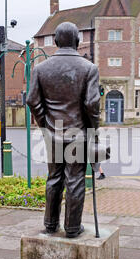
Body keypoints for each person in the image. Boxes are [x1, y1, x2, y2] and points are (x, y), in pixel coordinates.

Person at [27, 22, 100, 239]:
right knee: (75, 179)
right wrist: (94, 132)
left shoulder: (40, 68)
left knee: (54, 178)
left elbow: (32, 100)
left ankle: (50, 224)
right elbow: (92, 105)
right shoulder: (89, 68)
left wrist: (45, 125)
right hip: (78, 134)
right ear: (77, 41)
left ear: (56, 42)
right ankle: (72, 227)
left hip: (53, 133)